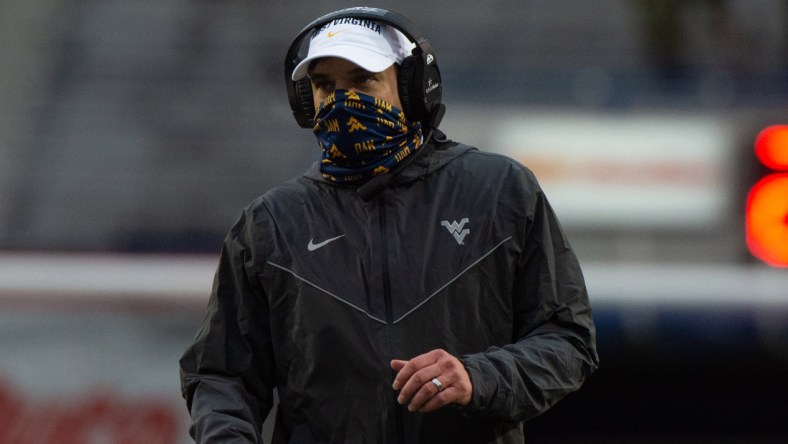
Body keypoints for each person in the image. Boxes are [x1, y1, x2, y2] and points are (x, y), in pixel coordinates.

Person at [180, 6, 599, 443]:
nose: (341, 99)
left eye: (362, 79)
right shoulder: (269, 225)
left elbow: (569, 341)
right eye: (325, 85)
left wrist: (480, 377)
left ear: (414, 89)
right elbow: (220, 377)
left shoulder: (502, 192)